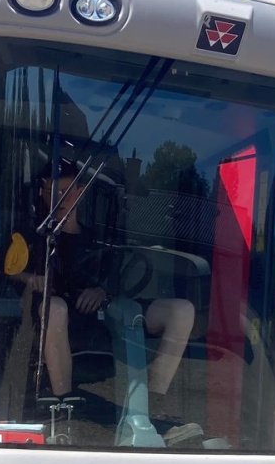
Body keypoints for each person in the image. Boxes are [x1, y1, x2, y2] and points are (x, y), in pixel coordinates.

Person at [15, 160, 194, 401]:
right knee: (55, 307)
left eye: (65, 192)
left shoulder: (98, 239)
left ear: (79, 192)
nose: (59, 199)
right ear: (42, 192)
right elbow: (1, 269)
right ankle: (63, 402)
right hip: (54, 316)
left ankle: (153, 401)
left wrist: (102, 292)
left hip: (104, 314)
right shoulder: (31, 235)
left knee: (182, 311)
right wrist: (32, 278)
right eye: (52, 192)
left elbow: (116, 281)